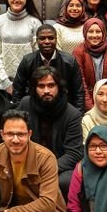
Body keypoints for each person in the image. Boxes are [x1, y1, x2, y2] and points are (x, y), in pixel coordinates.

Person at [20, 67, 84, 195]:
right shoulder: (25, 104)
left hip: (58, 166)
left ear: (59, 87)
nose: (46, 91)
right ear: (34, 88)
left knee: (67, 181)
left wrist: (45, 169)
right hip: (28, 162)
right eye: (41, 86)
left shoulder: (72, 115)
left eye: (51, 85)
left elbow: (73, 153)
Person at [11, 25, 86, 110]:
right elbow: (17, 91)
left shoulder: (70, 61)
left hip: (63, 110)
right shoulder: (27, 61)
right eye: (42, 38)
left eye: (51, 38)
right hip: (34, 110)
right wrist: (21, 116)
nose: (47, 41)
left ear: (56, 39)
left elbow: (78, 93)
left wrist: (77, 117)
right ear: (36, 41)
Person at [0, 0, 42, 92]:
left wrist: (32, 82)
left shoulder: (35, 22)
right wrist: (5, 82)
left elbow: (38, 56)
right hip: (5, 85)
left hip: (29, 84)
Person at [74, 18, 107, 110]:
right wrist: (91, 108)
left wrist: (105, 100)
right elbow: (81, 82)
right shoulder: (78, 52)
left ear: (103, 33)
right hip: (85, 102)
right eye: (90, 31)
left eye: (98, 31)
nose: (94, 35)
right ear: (85, 33)